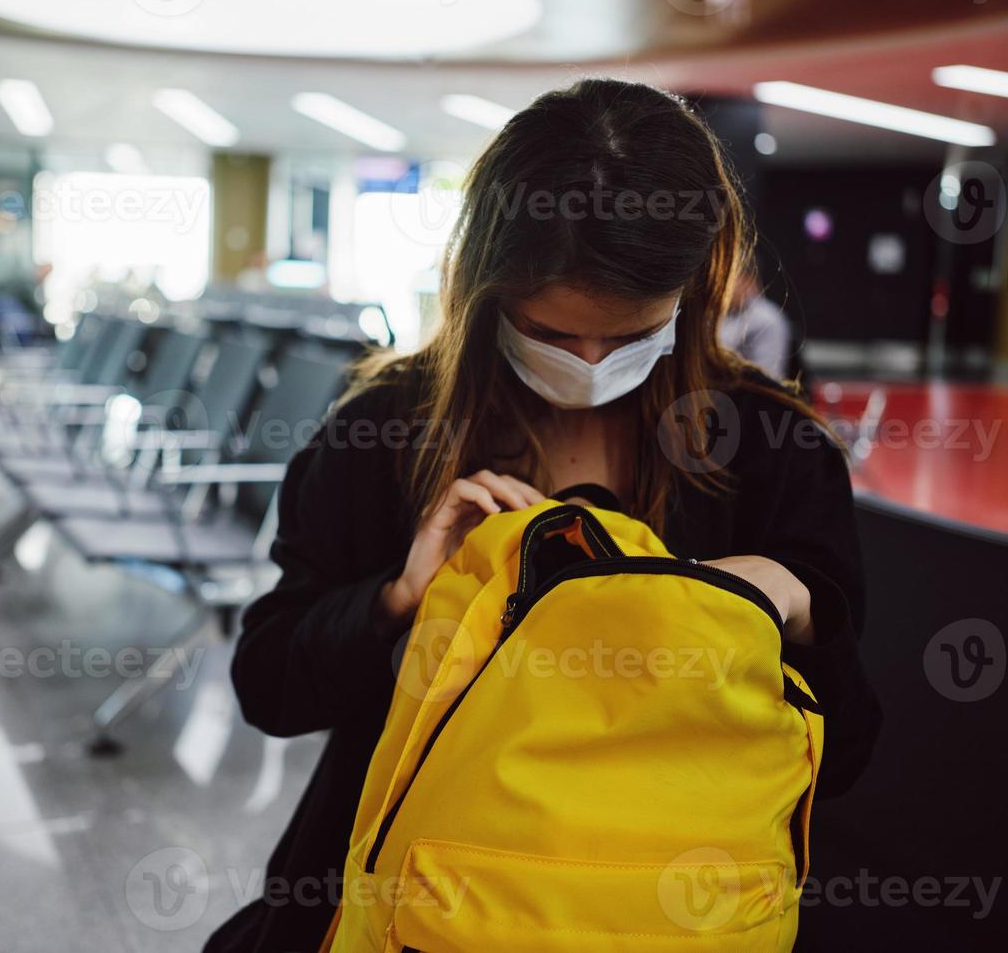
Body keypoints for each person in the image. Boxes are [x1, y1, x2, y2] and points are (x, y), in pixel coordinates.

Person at [205, 79, 881, 952]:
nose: (591, 363)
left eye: (632, 335)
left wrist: (796, 604)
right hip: (411, 904)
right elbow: (269, 687)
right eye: (552, 335)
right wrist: (397, 598)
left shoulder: (772, 453)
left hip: (657, 912)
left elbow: (845, 757)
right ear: (484, 287)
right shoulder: (388, 429)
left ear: (695, 286)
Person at [719, 269, 793, 380]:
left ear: (749, 281)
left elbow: (769, 375)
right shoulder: (717, 313)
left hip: (751, 391)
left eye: (729, 278)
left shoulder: (767, 318)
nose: (721, 285)